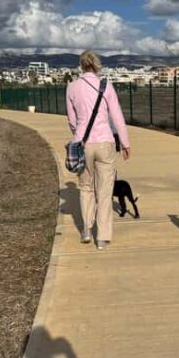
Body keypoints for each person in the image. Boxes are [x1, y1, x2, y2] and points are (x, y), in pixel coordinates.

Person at [66, 50, 131, 251]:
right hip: (105, 142)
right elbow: (117, 117)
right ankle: (102, 237)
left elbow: (71, 119)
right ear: (97, 65)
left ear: (81, 65)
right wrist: (126, 143)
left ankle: (86, 229)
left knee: (85, 188)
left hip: (83, 144)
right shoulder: (106, 86)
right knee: (104, 191)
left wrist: (79, 135)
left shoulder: (72, 87)